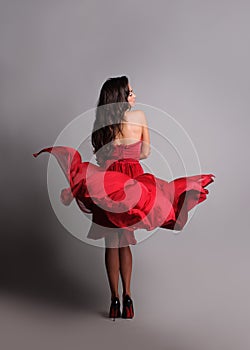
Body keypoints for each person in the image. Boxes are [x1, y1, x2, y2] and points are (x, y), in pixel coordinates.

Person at [33, 76, 215, 320]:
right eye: (130, 92)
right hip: (132, 182)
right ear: (121, 96)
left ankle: (114, 300)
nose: (134, 95)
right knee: (125, 240)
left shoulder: (103, 121)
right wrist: (131, 152)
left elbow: (100, 154)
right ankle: (128, 297)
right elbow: (146, 151)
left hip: (108, 181)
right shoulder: (138, 117)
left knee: (111, 241)